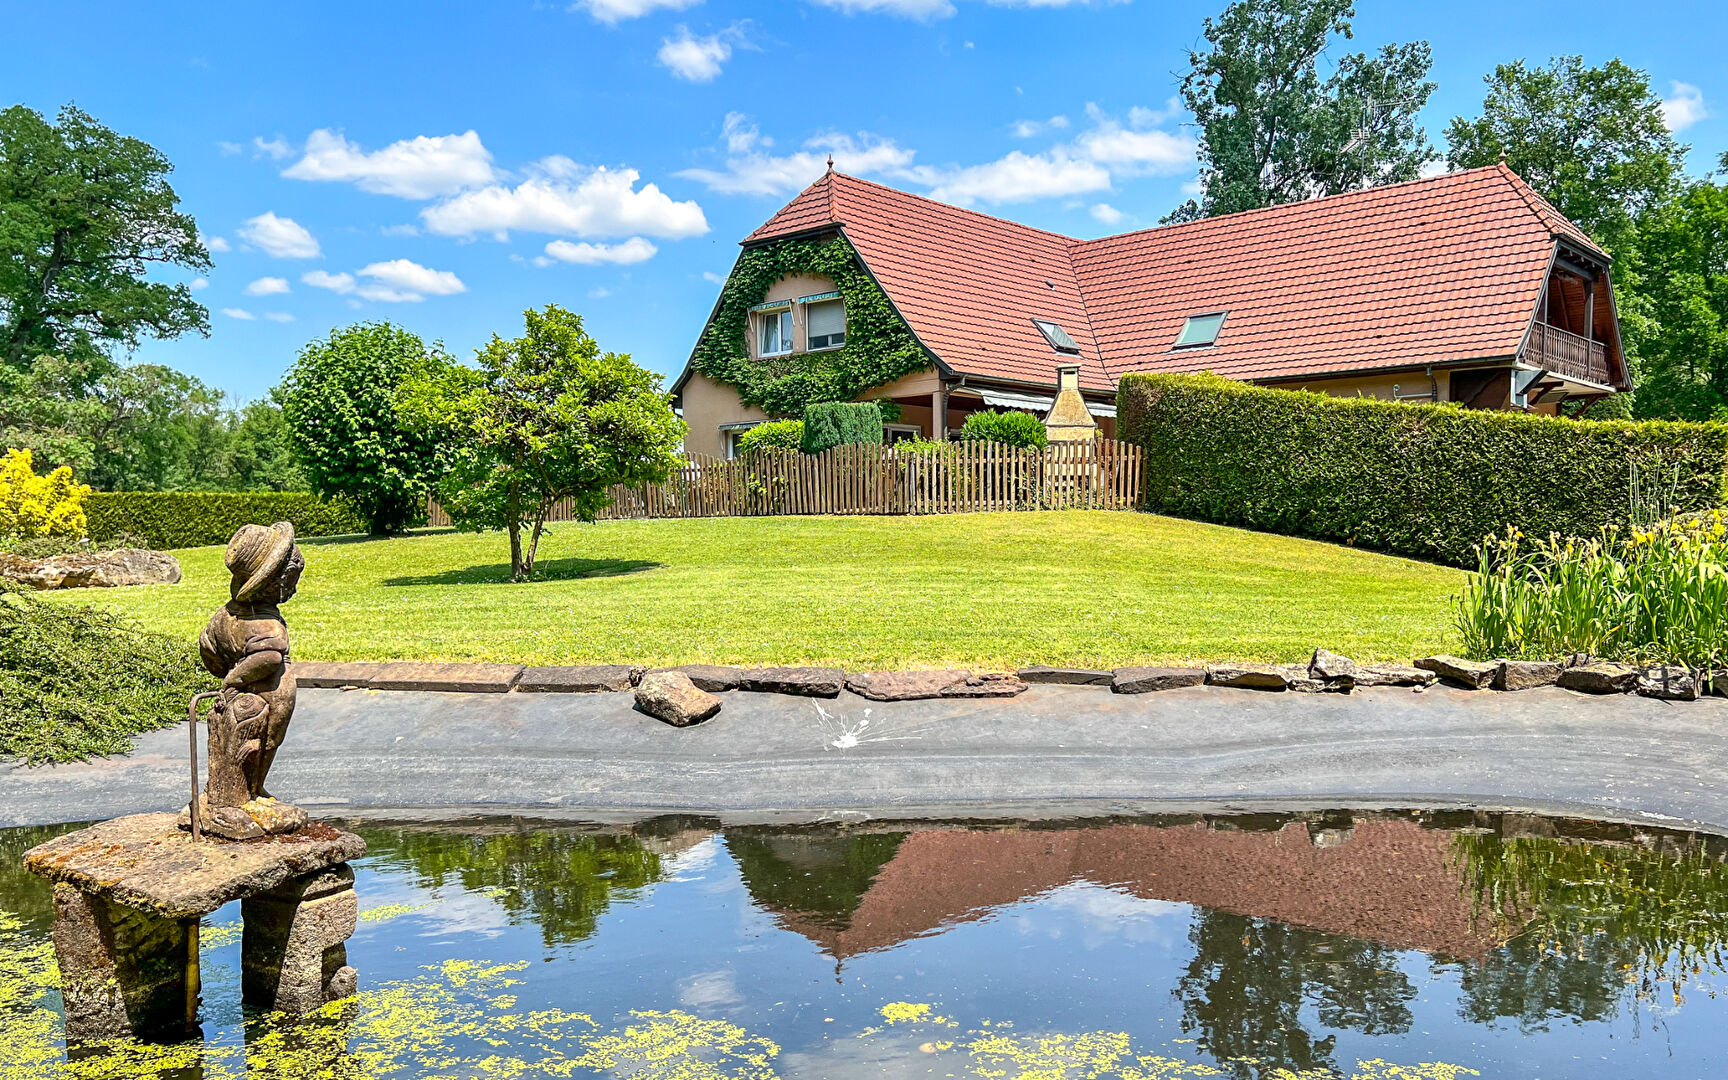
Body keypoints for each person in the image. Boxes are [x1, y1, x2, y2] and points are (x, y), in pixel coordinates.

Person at [195, 521, 304, 837]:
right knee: (263, 743)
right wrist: (234, 680)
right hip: (272, 694)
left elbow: (207, 644)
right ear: (273, 583)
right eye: (292, 581)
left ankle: (249, 793)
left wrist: (224, 667)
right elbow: (268, 658)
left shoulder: (227, 614)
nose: (295, 588)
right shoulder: (265, 623)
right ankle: (249, 795)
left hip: (254, 694)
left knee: (254, 746)